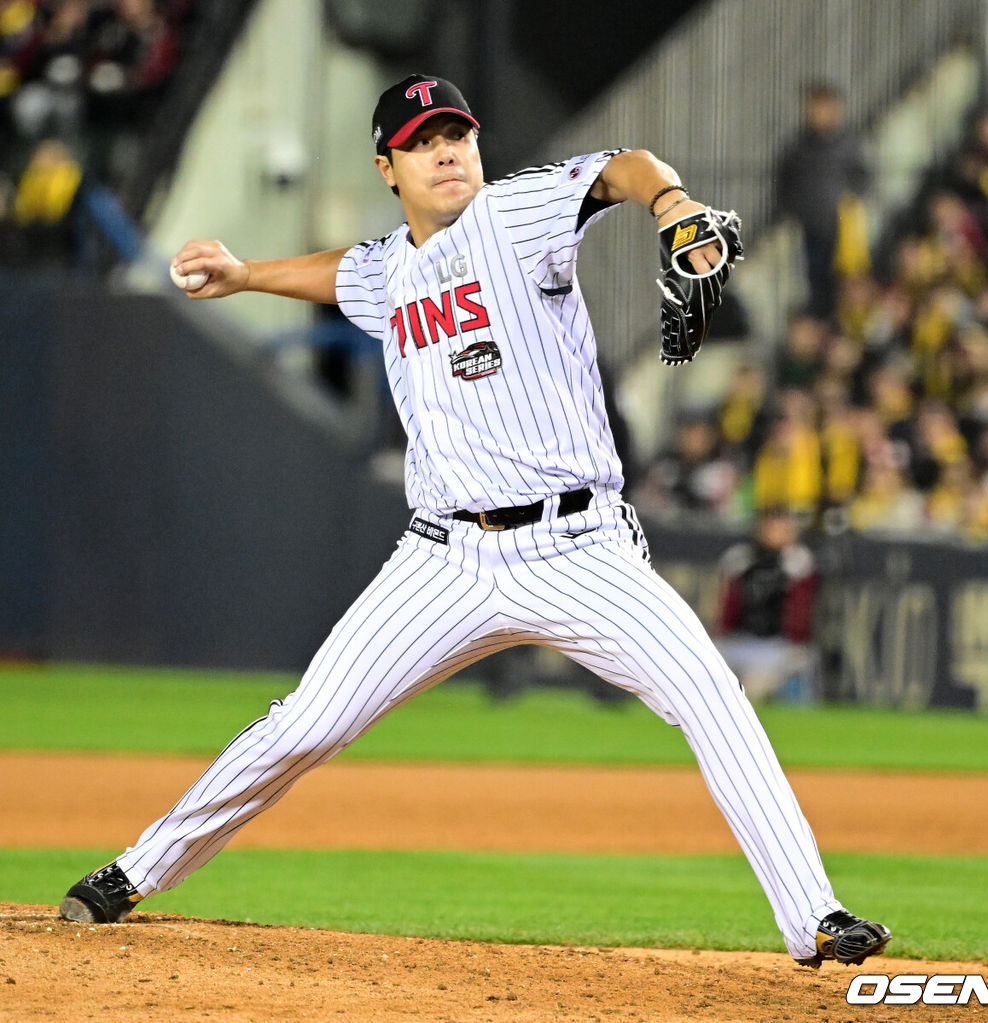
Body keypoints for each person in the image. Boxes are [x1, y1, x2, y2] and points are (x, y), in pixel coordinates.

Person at [59, 73, 891, 969]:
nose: (446, 150)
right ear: (388, 166)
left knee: (711, 699)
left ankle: (815, 917)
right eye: (421, 141)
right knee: (306, 723)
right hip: (445, 559)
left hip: (579, 545)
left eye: (456, 133)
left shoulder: (516, 215)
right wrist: (247, 274)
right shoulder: (389, 270)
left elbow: (622, 168)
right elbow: (342, 275)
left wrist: (673, 201)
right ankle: (135, 870)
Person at [777, 83, 870, 320]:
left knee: (845, 282)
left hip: (843, 229)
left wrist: (849, 205)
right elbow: (786, 182)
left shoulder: (849, 144)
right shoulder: (799, 146)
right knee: (816, 283)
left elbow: (863, 179)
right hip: (812, 227)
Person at [715, 508, 819, 703]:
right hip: (740, 641)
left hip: (778, 645)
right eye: (773, 527)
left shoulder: (797, 561)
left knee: (756, 686)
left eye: (784, 528)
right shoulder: (740, 558)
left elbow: (800, 613)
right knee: (705, 664)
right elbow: (727, 606)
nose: (778, 533)